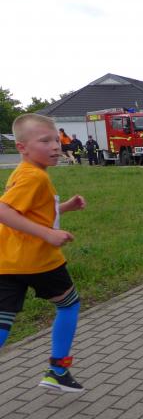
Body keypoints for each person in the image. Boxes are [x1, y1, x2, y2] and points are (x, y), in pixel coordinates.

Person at [0, 114, 88, 392]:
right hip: (38, 260)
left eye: (56, 140)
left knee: (3, 321)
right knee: (69, 305)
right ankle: (57, 370)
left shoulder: (23, 171)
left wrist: (64, 208)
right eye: (45, 141)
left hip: (8, 260)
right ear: (22, 147)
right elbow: (3, 210)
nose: (55, 147)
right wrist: (47, 234)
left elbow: (29, 212)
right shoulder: (34, 177)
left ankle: (58, 371)